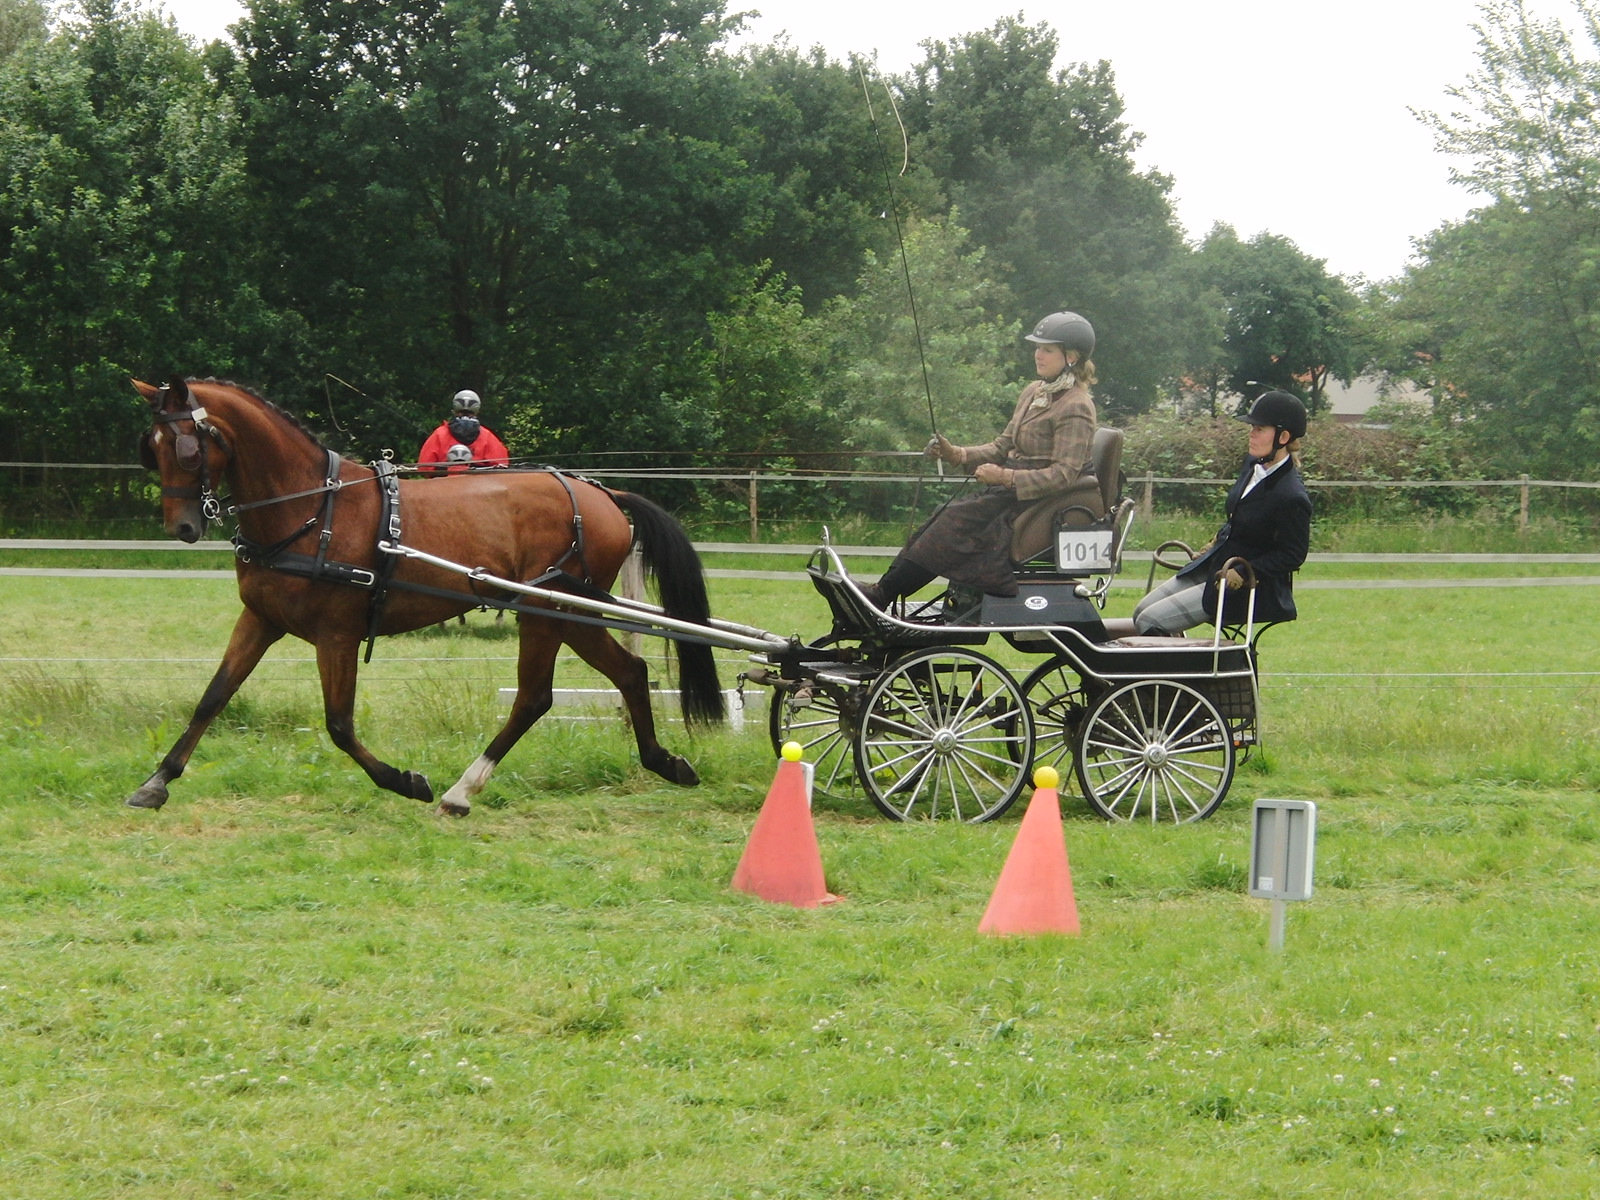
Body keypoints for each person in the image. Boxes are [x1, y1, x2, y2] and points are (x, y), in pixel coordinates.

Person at [865, 311, 1099, 605]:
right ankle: (883, 590)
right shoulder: (1034, 392)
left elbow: (1063, 475)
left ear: (1071, 357)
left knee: (954, 520)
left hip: (1038, 500)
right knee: (944, 512)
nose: (1038, 355)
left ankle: (883, 595)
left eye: (1047, 349)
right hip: (1011, 492)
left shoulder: (1077, 406)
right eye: (1037, 348)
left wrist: (1004, 477)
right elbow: (1003, 446)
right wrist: (956, 454)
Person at [1132, 390, 1311, 635]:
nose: (1251, 434)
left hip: (1248, 585)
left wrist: (1246, 572)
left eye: (1259, 429)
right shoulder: (1252, 464)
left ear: (1284, 436)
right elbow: (1241, 517)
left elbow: (1293, 554)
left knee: (1150, 621)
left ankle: (1180, 672)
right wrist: (1214, 541)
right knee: (1139, 612)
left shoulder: (1291, 496)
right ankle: (1175, 663)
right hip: (1216, 565)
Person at [417, 389, 510, 475]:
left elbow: (424, 467)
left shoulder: (439, 434)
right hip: (478, 488)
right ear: (477, 410)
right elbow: (501, 465)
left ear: (454, 409)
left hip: (442, 487)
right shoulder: (487, 436)